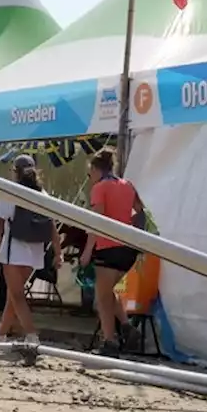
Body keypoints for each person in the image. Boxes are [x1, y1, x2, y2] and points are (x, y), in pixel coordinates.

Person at [0, 155, 62, 344]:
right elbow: (52, 225)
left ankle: (31, 336)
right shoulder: (43, 193)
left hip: (14, 250)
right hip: (36, 251)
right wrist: (58, 252)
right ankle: (0, 334)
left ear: (15, 172)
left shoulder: (11, 192)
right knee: (14, 296)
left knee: (16, 296)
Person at [80, 147, 144, 357]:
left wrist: (87, 251)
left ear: (96, 169)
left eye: (90, 173)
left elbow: (96, 222)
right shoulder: (127, 185)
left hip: (108, 247)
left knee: (102, 299)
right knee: (109, 293)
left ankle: (110, 342)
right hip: (127, 248)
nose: (90, 177)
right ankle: (126, 327)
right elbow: (140, 212)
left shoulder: (100, 188)